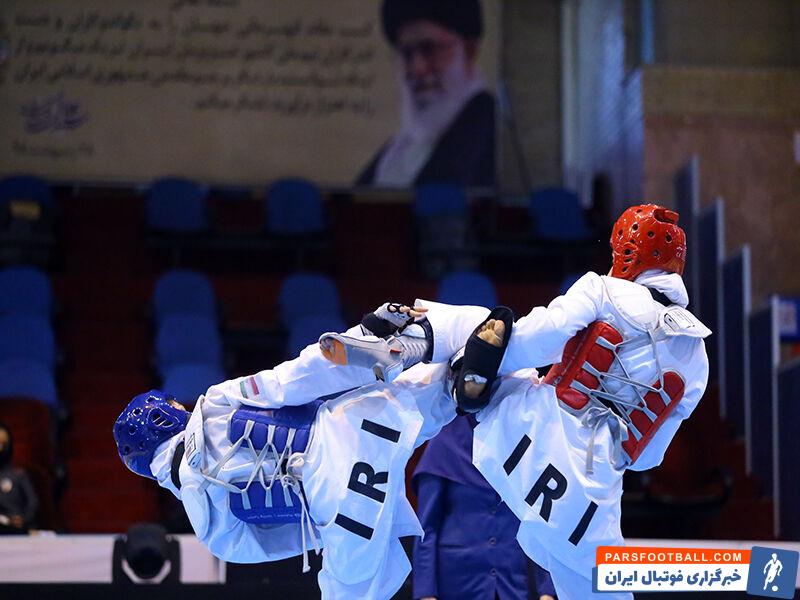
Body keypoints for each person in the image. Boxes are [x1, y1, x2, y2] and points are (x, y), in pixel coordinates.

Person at [324, 204, 711, 600]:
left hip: (529, 442)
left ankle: (408, 345)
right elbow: (648, 458)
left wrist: (478, 364)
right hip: (587, 511)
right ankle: (451, 366)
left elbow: (536, 339)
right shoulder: (697, 358)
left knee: (481, 333)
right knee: (600, 587)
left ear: (625, 253)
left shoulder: (602, 289)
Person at [113, 307, 495, 600]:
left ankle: (445, 376)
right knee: (434, 375)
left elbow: (296, 539)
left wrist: (341, 522)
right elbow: (291, 382)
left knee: (349, 588)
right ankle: (443, 359)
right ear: (164, 418)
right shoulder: (212, 405)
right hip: (349, 432)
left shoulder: (208, 529)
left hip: (342, 506)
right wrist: (363, 334)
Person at [412, 414, 556, 600]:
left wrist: (547, 589)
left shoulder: (520, 440)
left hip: (511, 582)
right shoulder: (443, 444)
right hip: (457, 583)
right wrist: (425, 593)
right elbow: (426, 528)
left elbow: (539, 519)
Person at [357, 0, 495, 188]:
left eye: (430, 49)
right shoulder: (401, 147)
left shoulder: (492, 133)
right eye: (406, 53)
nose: (418, 69)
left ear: (469, 52)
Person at [0, 422, 39, 533]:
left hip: (16, 528)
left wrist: (24, 518)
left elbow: (33, 503)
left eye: (3, 443)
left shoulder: (19, 475)